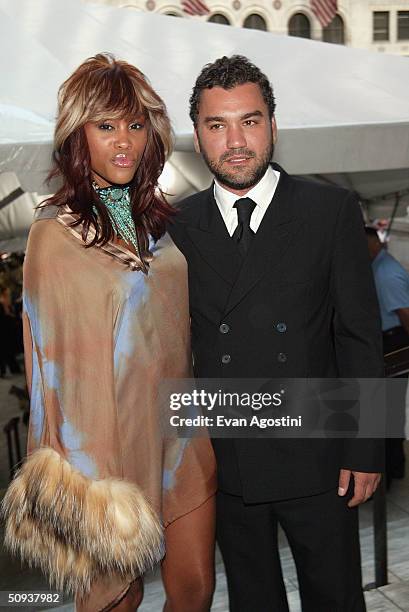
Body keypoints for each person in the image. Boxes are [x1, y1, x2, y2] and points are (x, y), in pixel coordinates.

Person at [169, 55, 384, 612]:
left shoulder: (328, 209)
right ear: (197, 136)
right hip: (228, 453)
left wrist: (367, 447)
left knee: (335, 598)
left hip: (318, 451)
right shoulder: (175, 226)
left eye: (250, 120)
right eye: (217, 126)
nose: (235, 140)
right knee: (253, 600)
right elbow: (170, 345)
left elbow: (358, 335)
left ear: (273, 125)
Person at [2, 54, 216, 612]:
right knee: (117, 601)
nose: (124, 141)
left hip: (180, 429)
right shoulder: (56, 235)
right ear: (79, 135)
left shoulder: (157, 226)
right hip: (105, 449)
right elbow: (59, 375)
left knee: (195, 588)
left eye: (136, 125)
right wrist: (91, 487)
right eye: (106, 126)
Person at [366, 226, 408, 486]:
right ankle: (393, 467)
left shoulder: (385, 272)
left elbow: (405, 314)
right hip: (388, 338)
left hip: (393, 341)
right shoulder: (379, 266)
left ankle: (391, 470)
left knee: (387, 410)